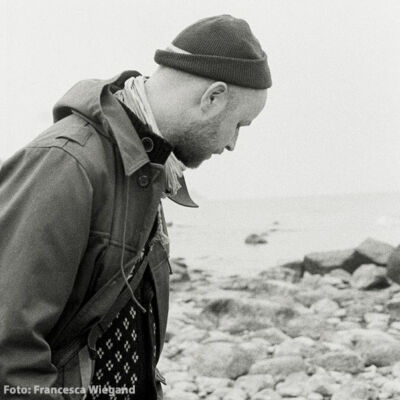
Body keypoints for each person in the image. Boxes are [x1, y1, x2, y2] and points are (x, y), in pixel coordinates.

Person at [0, 14, 271, 400]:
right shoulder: (67, 163)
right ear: (213, 97)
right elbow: (9, 348)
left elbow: (122, 325)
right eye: (240, 124)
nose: (232, 144)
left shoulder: (148, 168)